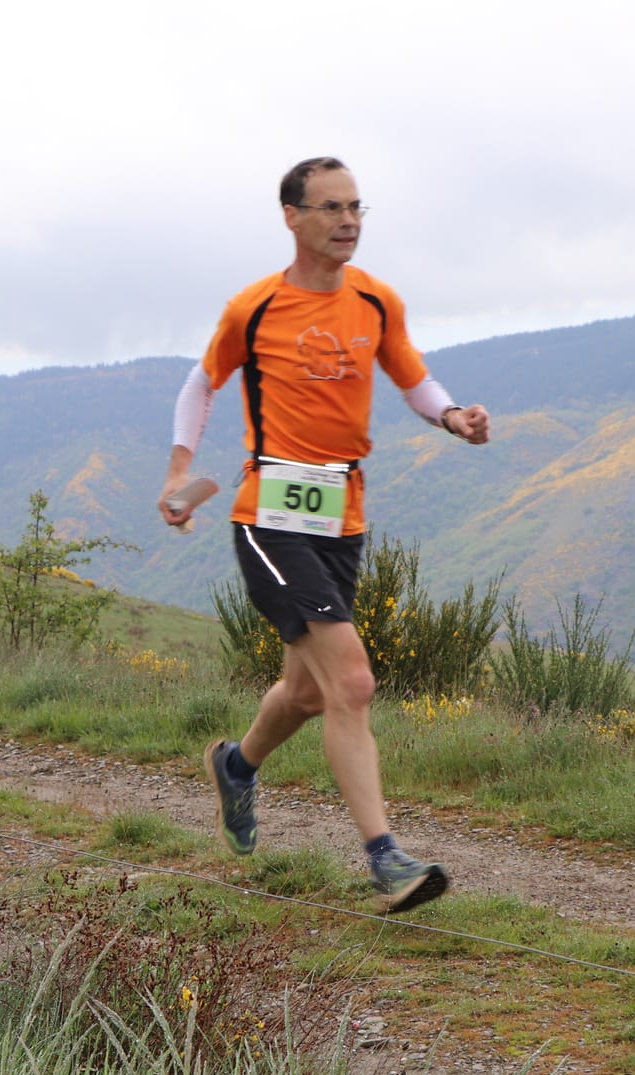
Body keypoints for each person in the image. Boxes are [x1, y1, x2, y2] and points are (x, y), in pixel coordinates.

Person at [158, 156, 491, 915]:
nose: (349, 220)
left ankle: (237, 767)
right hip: (269, 516)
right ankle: (387, 859)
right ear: (292, 216)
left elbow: (412, 378)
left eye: (357, 207)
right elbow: (201, 382)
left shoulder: (376, 300)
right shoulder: (258, 307)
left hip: (342, 514)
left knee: (307, 691)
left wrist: (452, 417)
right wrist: (179, 472)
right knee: (353, 682)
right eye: (332, 207)